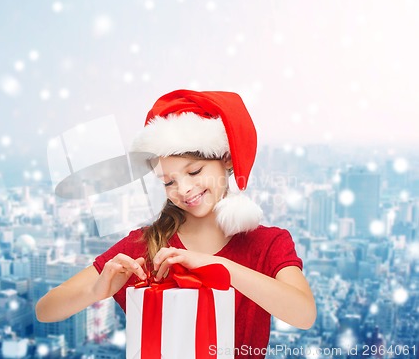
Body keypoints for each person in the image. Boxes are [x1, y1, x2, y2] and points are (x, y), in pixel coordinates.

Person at [35, 89, 316, 359]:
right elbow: (45, 310)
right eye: (168, 181)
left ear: (227, 160)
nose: (183, 189)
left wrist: (218, 268)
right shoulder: (146, 246)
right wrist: (96, 291)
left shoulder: (266, 244)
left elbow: (303, 314)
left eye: (194, 171)